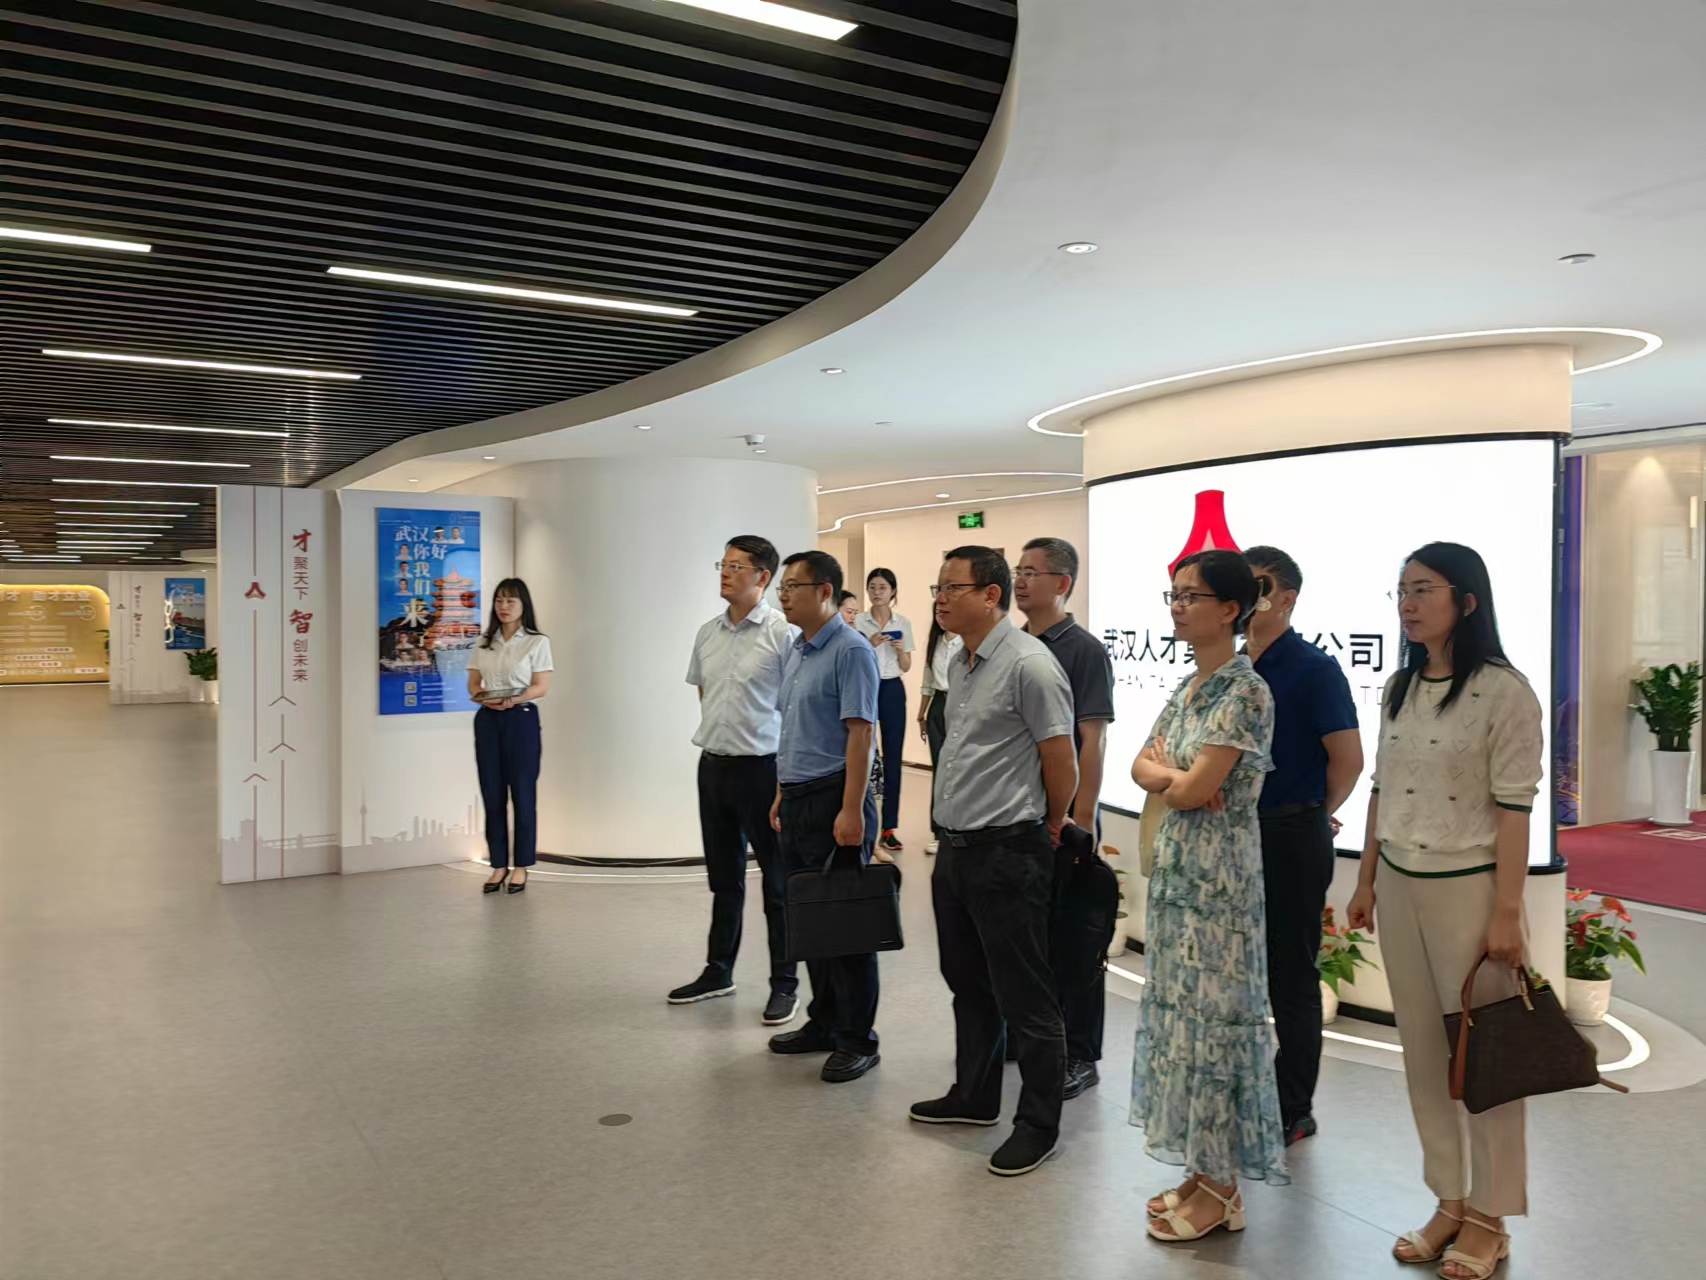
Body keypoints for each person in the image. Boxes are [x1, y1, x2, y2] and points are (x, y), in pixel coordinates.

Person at [1347, 543, 1542, 1280]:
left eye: (1423, 589)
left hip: (1470, 888)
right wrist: (1366, 881)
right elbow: (1380, 790)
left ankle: (1491, 1215)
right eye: (1401, 590)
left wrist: (1508, 912)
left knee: (1485, 1058)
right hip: (1400, 885)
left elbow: (1515, 810)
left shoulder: (1504, 692)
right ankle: (1449, 1200)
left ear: (1467, 600)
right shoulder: (1399, 686)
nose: (1407, 603)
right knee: (1427, 1057)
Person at [1130, 550, 1285, 1242]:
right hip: (1178, 878)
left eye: (1191, 596)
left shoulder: (1246, 692)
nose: (1178, 606)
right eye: (1174, 594)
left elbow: (1193, 788)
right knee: (1183, 1027)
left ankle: (1222, 1190)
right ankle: (1201, 1170)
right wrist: (1178, 779)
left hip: (1221, 889)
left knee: (1217, 1030)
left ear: (1230, 609)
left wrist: (1178, 779)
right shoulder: (1189, 688)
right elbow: (1144, 766)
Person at [909, 545, 1078, 1178]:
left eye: (951, 588)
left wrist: (1051, 823)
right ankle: (975, 1095)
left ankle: (1038, 1124)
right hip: (956, 849)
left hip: (1009, 850)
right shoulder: (960, 660)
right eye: (937, 587)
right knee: (968, 982)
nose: (940, 599)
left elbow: (1061, 760)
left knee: (1025, 994)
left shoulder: (1030, 665)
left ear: (990, 595)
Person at [1242, 546, 1363, 1145]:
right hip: (1234, 836)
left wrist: (1315, 811)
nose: (1248, 597)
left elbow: (1348, 760)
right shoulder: (1229, 666)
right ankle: (1244, 1088)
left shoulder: (1313, 668)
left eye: (1259, 586)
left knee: (1291, 975)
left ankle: (1294, 1105)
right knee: (1238, 970)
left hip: (1290, 834)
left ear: (1286, 597)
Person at [669, 536, 800, 1026]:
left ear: (763, 577)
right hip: (714, 766)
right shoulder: (708, 632)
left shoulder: (783, 634)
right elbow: (706, 693)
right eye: (722, 564)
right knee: (724, 879)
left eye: (736, 566)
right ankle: (718, 970)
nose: (725, 573)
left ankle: (785, 983)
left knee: (778, 884)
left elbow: (795, 709)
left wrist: (785, 779)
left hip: (764, 770)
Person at [767, 550, 884, 1084]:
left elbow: (861, 734)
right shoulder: (798, 649)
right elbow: (791, 728)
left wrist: (852, 810)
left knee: (846, 927)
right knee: (811, 920)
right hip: (797, 796)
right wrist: (780, 791)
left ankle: (858, 1039)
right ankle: (824, 1022)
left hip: (835, 796)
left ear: (825, 591)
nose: (784, 595)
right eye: (782, 587)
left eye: (793, 586)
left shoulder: (851, 650)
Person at [1014, 536, 1118, 1102]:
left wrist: (1081, 817)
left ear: (1063, 583)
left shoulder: (1083, 650)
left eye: (1032, 572)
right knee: (1028, 936)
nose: (1020, 580)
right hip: (1019, 814)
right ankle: (1034, 1036)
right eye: (1018, 570)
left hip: (1063, 821)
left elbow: (1091, 739)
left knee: (1076, 945)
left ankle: (1080, 1053)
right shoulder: (1013, 643)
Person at [467, 578, 553, 894]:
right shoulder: (484, 642)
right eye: (499, 600)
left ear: (523, 605)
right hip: (488, 720)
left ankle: (521, 867)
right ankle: (498, 865)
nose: (503, 607)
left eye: (510, 601)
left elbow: (541, 687)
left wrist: (513, 699)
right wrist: (483, 698)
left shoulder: (536, 642)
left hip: (521, 720)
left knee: (523, 795)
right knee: (492, 794)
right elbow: (473, 684)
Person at [854, 568, 914, 852]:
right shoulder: (858, 621)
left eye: (882, 587)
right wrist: (869, 643)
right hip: (866, 687)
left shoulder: (903, 622)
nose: (876, 593)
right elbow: (852, 657)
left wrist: (900, 649)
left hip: (892, 688)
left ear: (893, 592)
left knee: (893, 757)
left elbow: (906, 666)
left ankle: (889, 828)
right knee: (862, 755)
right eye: (872, 587)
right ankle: (860, 820)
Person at [916, 617, 963, 856]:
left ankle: (958, 827)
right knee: (940, 770)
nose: (942, 615)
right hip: (938, 706)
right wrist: (921, 715)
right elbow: (928, 682)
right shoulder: (935, 642)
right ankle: (938, 833)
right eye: (937, 611)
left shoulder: (966, 641)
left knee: (960, 770)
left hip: (960, 705)